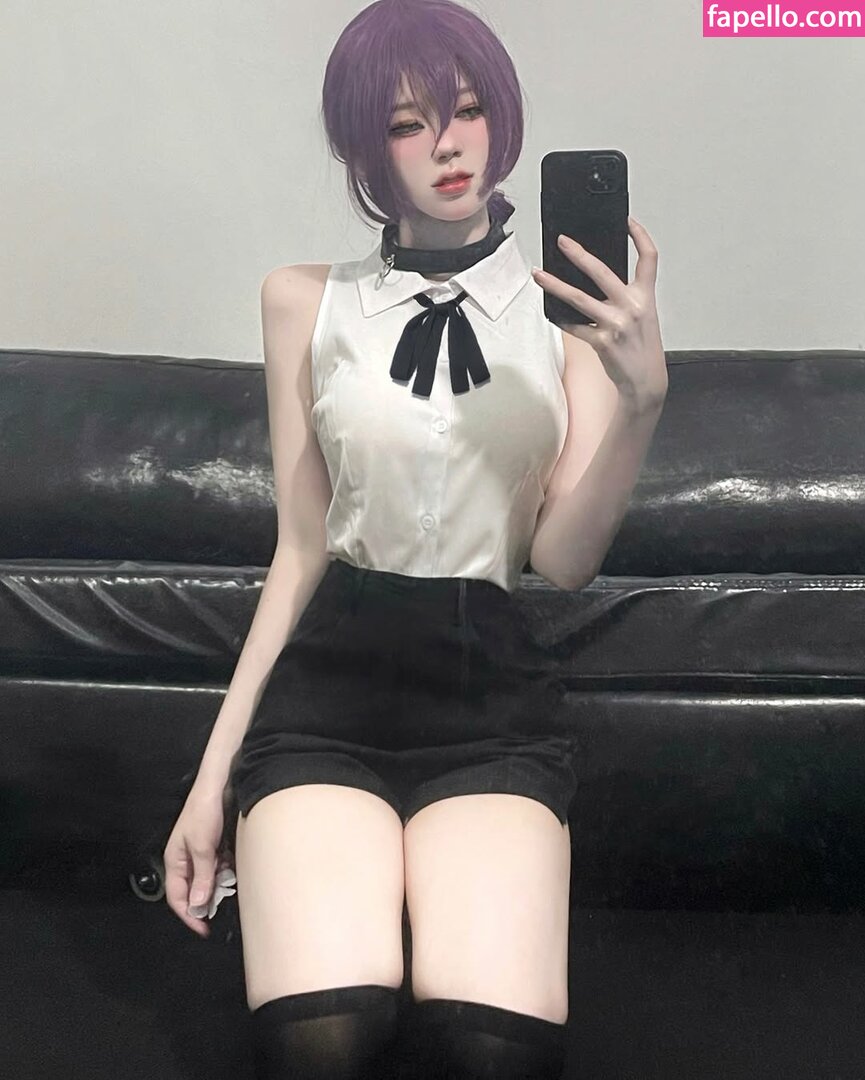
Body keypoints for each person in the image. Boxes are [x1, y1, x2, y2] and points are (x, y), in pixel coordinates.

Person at [162, 1, 667, 1077]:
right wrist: (209, 782)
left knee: (492, 1052)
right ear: (364, 151)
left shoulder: (568, 322)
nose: (446, 144)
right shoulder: (303, 303)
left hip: (490, 707)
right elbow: (300, 551)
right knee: (324, 1041)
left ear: (503, 120)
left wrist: (642, 404)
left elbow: (563, 559)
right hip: (325, 697)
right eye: (405, 124)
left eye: (468, 110)